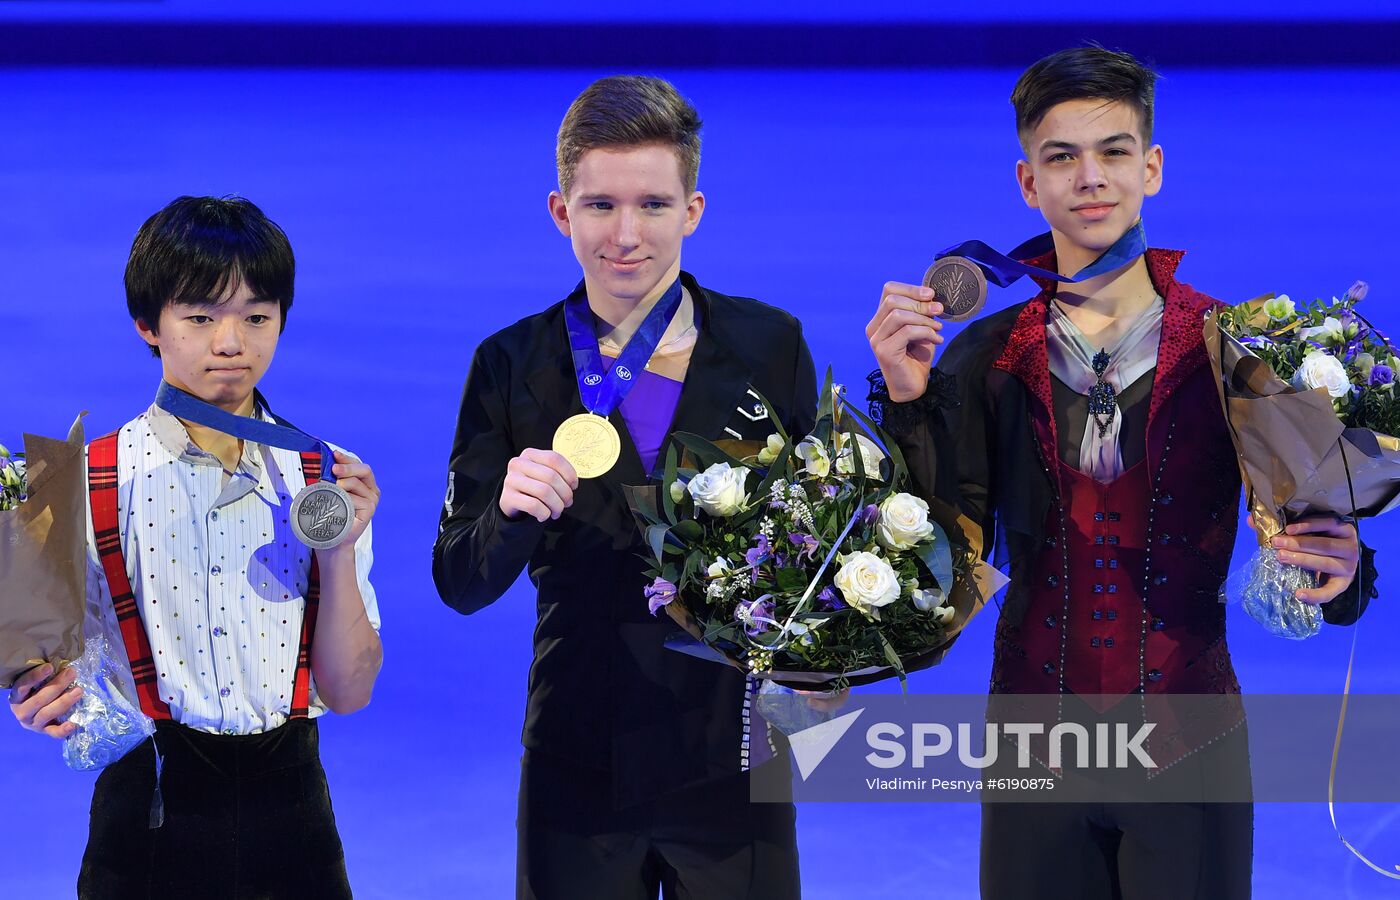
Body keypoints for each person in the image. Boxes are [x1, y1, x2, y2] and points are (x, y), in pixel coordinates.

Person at [866, 46, 1372, 898]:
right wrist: (910, 399)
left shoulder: (1235, 350)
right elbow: (940, 558)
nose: (1090, 177)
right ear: (1029, 182)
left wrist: (1345, 567)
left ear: (1153, 167)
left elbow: (1319, 529)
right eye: (1062, 157)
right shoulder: (986, 358)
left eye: (1113, 151)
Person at [433, 75, 816, 900]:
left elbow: (813, 547)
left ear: (694, 210)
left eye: (652, 204)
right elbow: (461, 583)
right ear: (560, 211)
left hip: (733, 758)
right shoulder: (510, 364)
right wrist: (508, 514)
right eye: (600, 206)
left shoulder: (770, 344)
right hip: (579, 758)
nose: (626, 235)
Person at [7, 196, 383, 899]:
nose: (232, 342)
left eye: (257, 316)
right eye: (202, 317)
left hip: (294, 818)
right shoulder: (81, 480)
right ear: (149, 325)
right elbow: (41, 658)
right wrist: (37, 693)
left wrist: (338, 550)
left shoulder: (329, 479)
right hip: (142, 821)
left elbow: (350, 690)